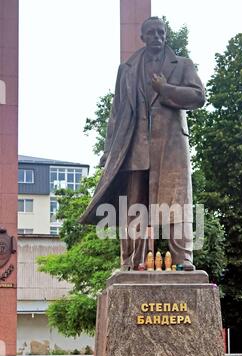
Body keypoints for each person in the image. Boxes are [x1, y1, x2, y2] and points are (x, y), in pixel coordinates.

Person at [80, 17, 205, 270]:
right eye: (151, 33)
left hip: (171, 146)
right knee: (134, 206)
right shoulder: (127, 69)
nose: (157, 37)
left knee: (176, 202)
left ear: (166, 35)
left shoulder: (182, 65)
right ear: (142, 37)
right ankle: (131, 261)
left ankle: (183, 259)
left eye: (161, 32)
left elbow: (198, 96)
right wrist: (108, 151)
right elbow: (116, 113)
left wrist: (166, 88)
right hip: (135, 145)